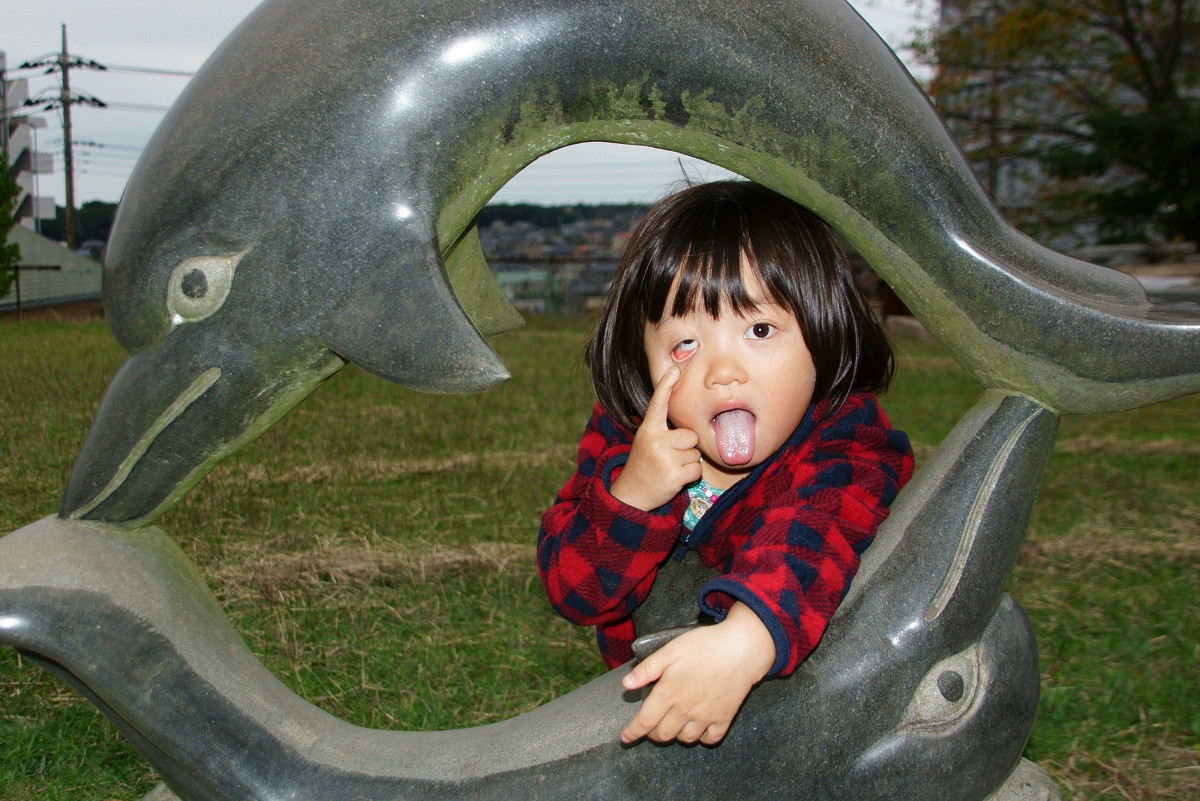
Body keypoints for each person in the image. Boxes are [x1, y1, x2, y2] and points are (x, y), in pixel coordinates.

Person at [537, 180, 914, 747]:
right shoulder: (629, 435)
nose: (723, 372)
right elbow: (575, 593)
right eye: (685, 344)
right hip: (661, 705)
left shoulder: (847, 444)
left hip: (806, 718)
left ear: (824, 331)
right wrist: (631, 497)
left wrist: (744, 641)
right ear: (641, 358)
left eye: (759, 330)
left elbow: (811, 539)